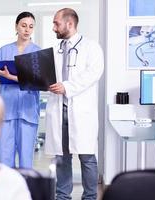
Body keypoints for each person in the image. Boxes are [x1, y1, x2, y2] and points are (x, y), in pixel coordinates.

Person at [45, 8, 104, 200]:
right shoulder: (55, 50)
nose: (54, 27)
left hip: (81, 112)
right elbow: (48, 78)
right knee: (62, 158)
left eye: (56, 23)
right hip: (58, 110)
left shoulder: (91, 47)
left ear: (69, 24)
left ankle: (90, 197)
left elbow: (93, 74)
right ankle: (63, 197)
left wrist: (67, 87)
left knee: (87, 157)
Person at [0, 12, 41, 169]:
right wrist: (2, 76)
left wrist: (11, 76)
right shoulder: (3, 51)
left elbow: (39, 81)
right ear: (16, 26)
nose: (27, 30)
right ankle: (6, 192)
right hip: (7, 110)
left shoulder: (38, 52)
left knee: (26, 160)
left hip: (28, 110)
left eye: (31, 27)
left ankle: (25, 192)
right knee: (4, 157)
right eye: (23, 25)